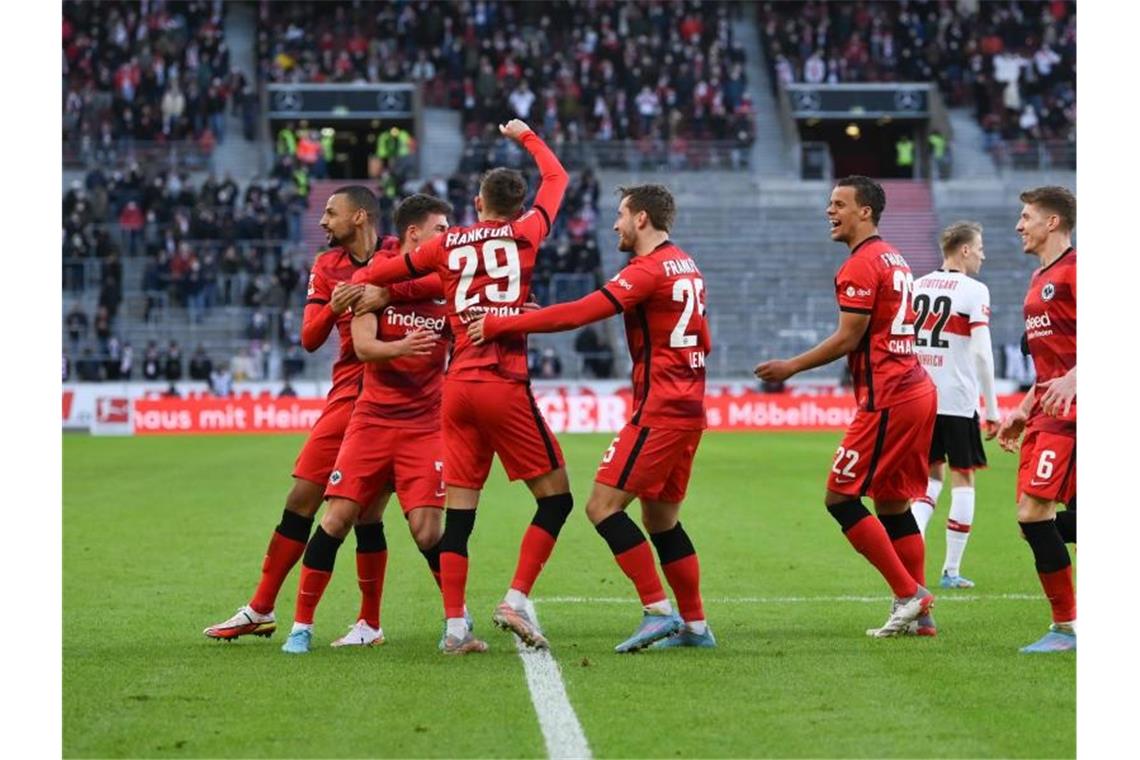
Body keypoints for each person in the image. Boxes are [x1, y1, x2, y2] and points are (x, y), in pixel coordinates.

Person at [353, 119, 572, 654]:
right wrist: (525, 135)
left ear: (477, 202)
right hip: (503, 380)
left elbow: (392, 271)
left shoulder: (447, 245)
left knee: (461, 515)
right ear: (519, 207)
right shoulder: (528, 231)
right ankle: (514, 599)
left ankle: (455, 629)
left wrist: (359, 288)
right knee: (557, 500)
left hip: (457, 388)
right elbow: (558, 177)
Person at [469, 184, 715, 651]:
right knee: (662, 521)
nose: (615, 224)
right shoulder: (688, 265)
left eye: (621, 215)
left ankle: (657, 610)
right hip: (690, 407)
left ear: (642, 219)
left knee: (602, 507)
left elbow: (580, 314)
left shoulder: (647, 271)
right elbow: (704, 341)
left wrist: (503, 322)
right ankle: (697, 628)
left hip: (660, 410)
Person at [203, 185, 401, 641]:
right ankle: (260, 608)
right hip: (347, 393)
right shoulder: (326, 266)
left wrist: (388, 296)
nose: (323, 221)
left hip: (395, 396)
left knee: (368, 512)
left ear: (360, 217)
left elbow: (434, 285)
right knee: (301, 500)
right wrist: (334, 306)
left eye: (332, 213)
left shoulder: (396, 254)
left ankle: (371, 622)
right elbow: (309, 338)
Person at [755, 176, 938, 638]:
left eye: (839, 204)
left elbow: (848, 337)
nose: (829, 211)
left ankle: (911, 596)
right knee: (894, 506)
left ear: (866, 212)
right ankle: (921, 618)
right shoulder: (895, 256)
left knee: (840, 497)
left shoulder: (860, 264)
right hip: (915, 388)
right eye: (829, 203)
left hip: (889, 396)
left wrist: (791, 366)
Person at [281, 194, 454, 654]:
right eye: (441, 229)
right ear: (414, 234)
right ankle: (299, 624)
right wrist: (395, 342)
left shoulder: (410, 274)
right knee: (335, 514)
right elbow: (350, 343)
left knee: (425, 529)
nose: (448, 237)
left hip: (423, 424)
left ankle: (454, 620)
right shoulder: (362, 276)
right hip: (369, 416)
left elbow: (456, 287)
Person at [996, 186, 1077, 654]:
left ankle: (1066, 628)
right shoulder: (1037, 280)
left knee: (1033, 513)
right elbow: (1051, 366)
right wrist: (1023, 409)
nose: (1018, 225)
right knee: (1041, 519)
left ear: (1052, 223)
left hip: (1073, 415)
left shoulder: (1076, 271)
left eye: (1026, 217)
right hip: (1052, 412)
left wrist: (1077, 376)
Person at [910, 222, 1001, 589]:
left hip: (921, 398)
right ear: (963, 250)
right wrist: (992, 407)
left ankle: (908, 560)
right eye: (979, 247)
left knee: (930, 478)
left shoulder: (916, 286)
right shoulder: (975, 291)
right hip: (958, 399)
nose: (982, 254)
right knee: (964, 478)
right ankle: (950, 571)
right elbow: (981, 352)